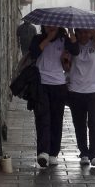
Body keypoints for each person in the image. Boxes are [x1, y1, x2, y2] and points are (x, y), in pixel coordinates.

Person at [29, 26, 79, 167]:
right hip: (41, 84)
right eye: (47, 24)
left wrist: (70, 33)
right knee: (42, 117)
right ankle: (43, 152)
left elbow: (76, 51)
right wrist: (48, 39)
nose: (50, 27)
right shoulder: (38, 39)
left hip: (58, 84)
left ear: (58, 26)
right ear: (43, 26)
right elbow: (33, 53)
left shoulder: (64, 40)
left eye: (54, 24)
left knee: (56, 119)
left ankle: (53, 153)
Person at [67, 29, 95, 166]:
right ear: (77, 33)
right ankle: (84, 153)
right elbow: (65, 65)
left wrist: (92, 28)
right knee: (79, 123)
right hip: (76, 90)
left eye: (86, 33)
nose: (84, 35)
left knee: (94, 122)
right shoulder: (72, 46)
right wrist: (71, 40)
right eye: (81, 33)